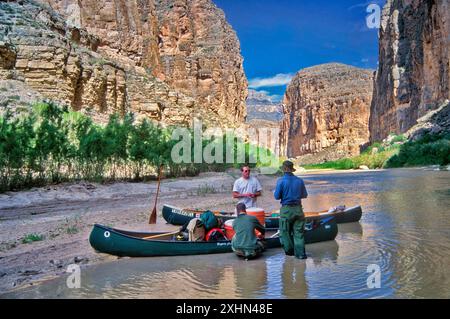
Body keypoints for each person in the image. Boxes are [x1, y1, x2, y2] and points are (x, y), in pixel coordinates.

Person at [274, 160, 308, 260]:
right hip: (298, 209)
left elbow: (276, 196)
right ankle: (301, 254)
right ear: (292, 169)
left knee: (285, 232)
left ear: (284, 170)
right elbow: (304, 195)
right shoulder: (299, 180)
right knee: (299, 233)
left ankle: (290, 253)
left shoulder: (280, 181)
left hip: (286, 210)